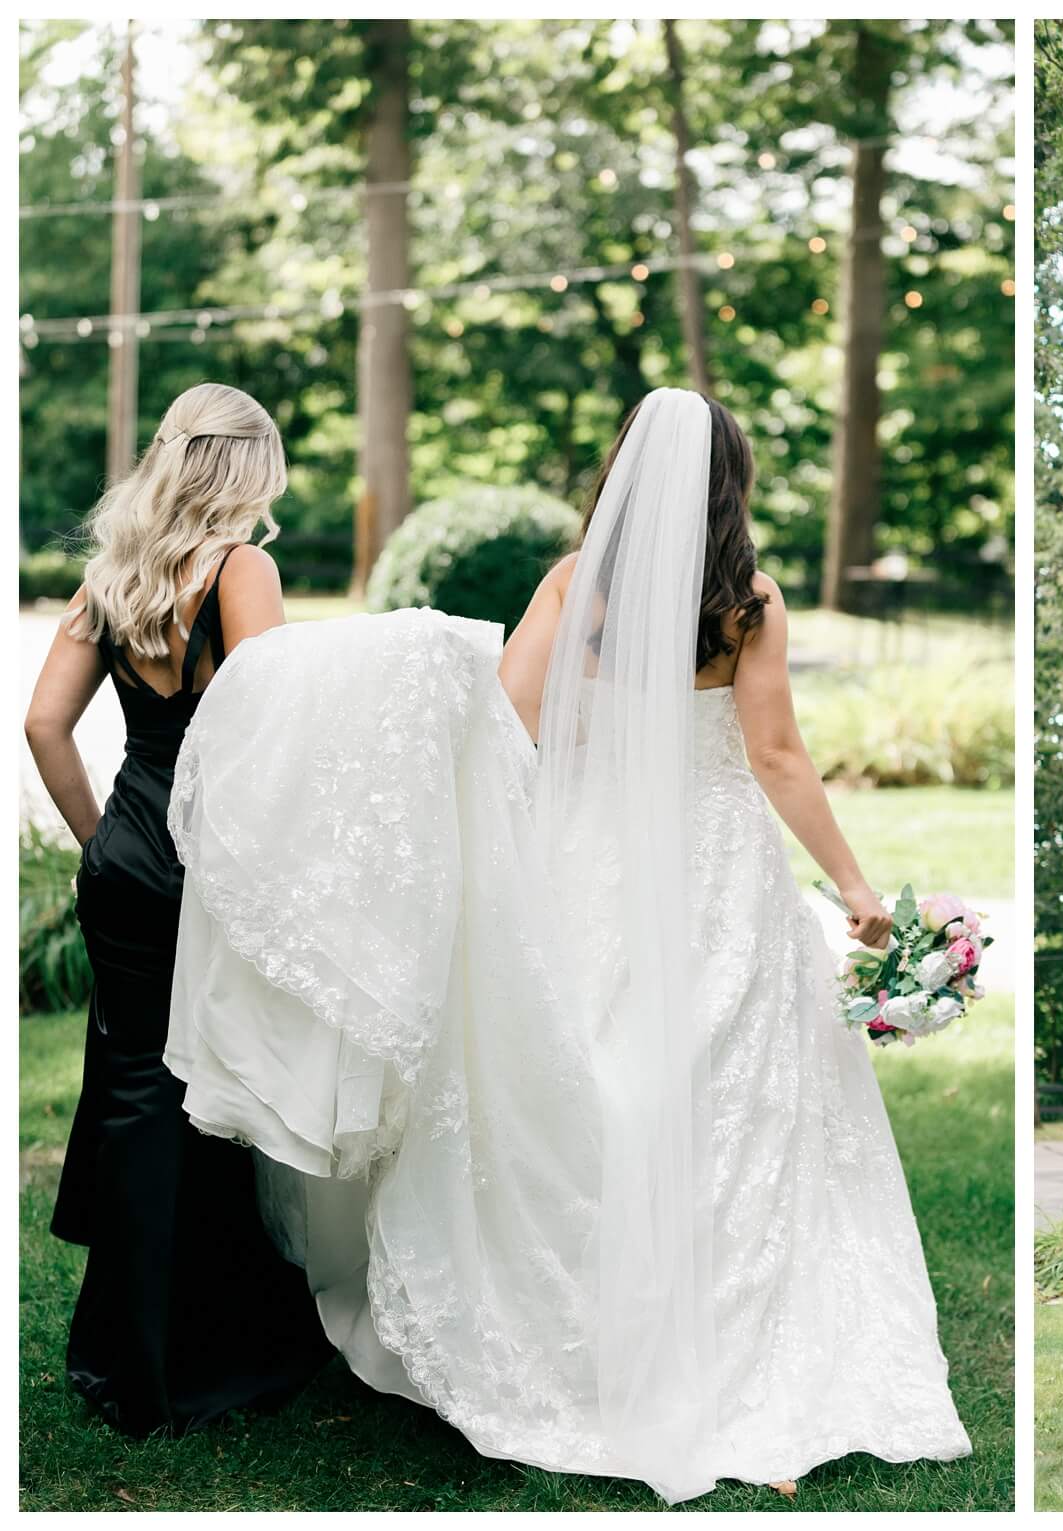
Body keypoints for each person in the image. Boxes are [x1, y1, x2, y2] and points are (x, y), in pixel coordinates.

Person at [162, 389, 970, 1499]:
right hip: (716, 872)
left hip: (582, 859)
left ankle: (575, 1327)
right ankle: (729, 1335)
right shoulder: (748, 602)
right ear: (729, 485)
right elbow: (776, 756)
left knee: (580, 1074)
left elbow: (506, 718)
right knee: (732, 1098)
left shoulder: (572, 580)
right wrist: (853, 885)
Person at [25, 382, 332, 1435]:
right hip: (210, 860)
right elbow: (268, 735)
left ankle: (119, 1351)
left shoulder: (109, 575)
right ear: (243, 469)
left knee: (130, 1093)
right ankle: (201, 1357)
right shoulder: (240, 570)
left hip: (125, 856)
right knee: (213, 1095)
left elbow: (42, 726)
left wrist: (101, 837)